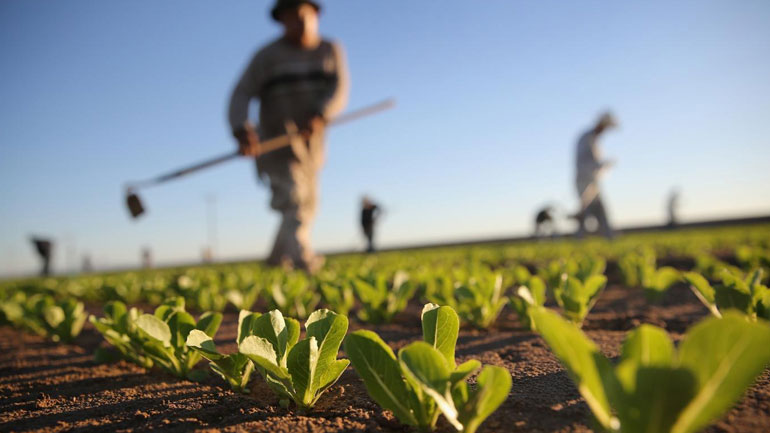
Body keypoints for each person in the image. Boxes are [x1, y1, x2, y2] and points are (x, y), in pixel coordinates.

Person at [228, 0, 349, 273]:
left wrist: (321, 113)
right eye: (292, 17)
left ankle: (275, 260)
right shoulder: (266, 57)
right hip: (276, 142)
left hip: (312, 145)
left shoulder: (330, 50)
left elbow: (339, 88)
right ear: (281, 20)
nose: (300, 22)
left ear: (316, 15)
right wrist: (241, 128)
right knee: (293, 198)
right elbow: (241, 93)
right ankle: (302, 260)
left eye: (304, 16)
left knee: (307, 203)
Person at [574, 112, 617, 239]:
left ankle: (609, 238)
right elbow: (585, 162)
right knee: (586, 211)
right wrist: (603, 164)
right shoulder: (587, 138)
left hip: (593, 181)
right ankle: (579, 240)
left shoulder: (594, 139)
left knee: (600, 210)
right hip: (584, 181)